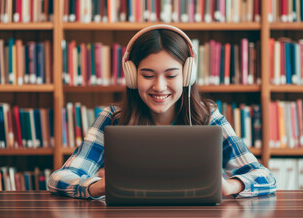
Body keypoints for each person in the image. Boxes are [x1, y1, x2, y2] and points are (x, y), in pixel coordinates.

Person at [48, 24, 276, 199]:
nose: (159, 86)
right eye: (147, 75)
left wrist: (229, 186)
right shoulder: (113, 118)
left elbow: (265, 177)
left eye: (171, 75)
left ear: (187, 75)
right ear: (131, 76)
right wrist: (98, 186)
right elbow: (58, 179)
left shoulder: (208, 118)